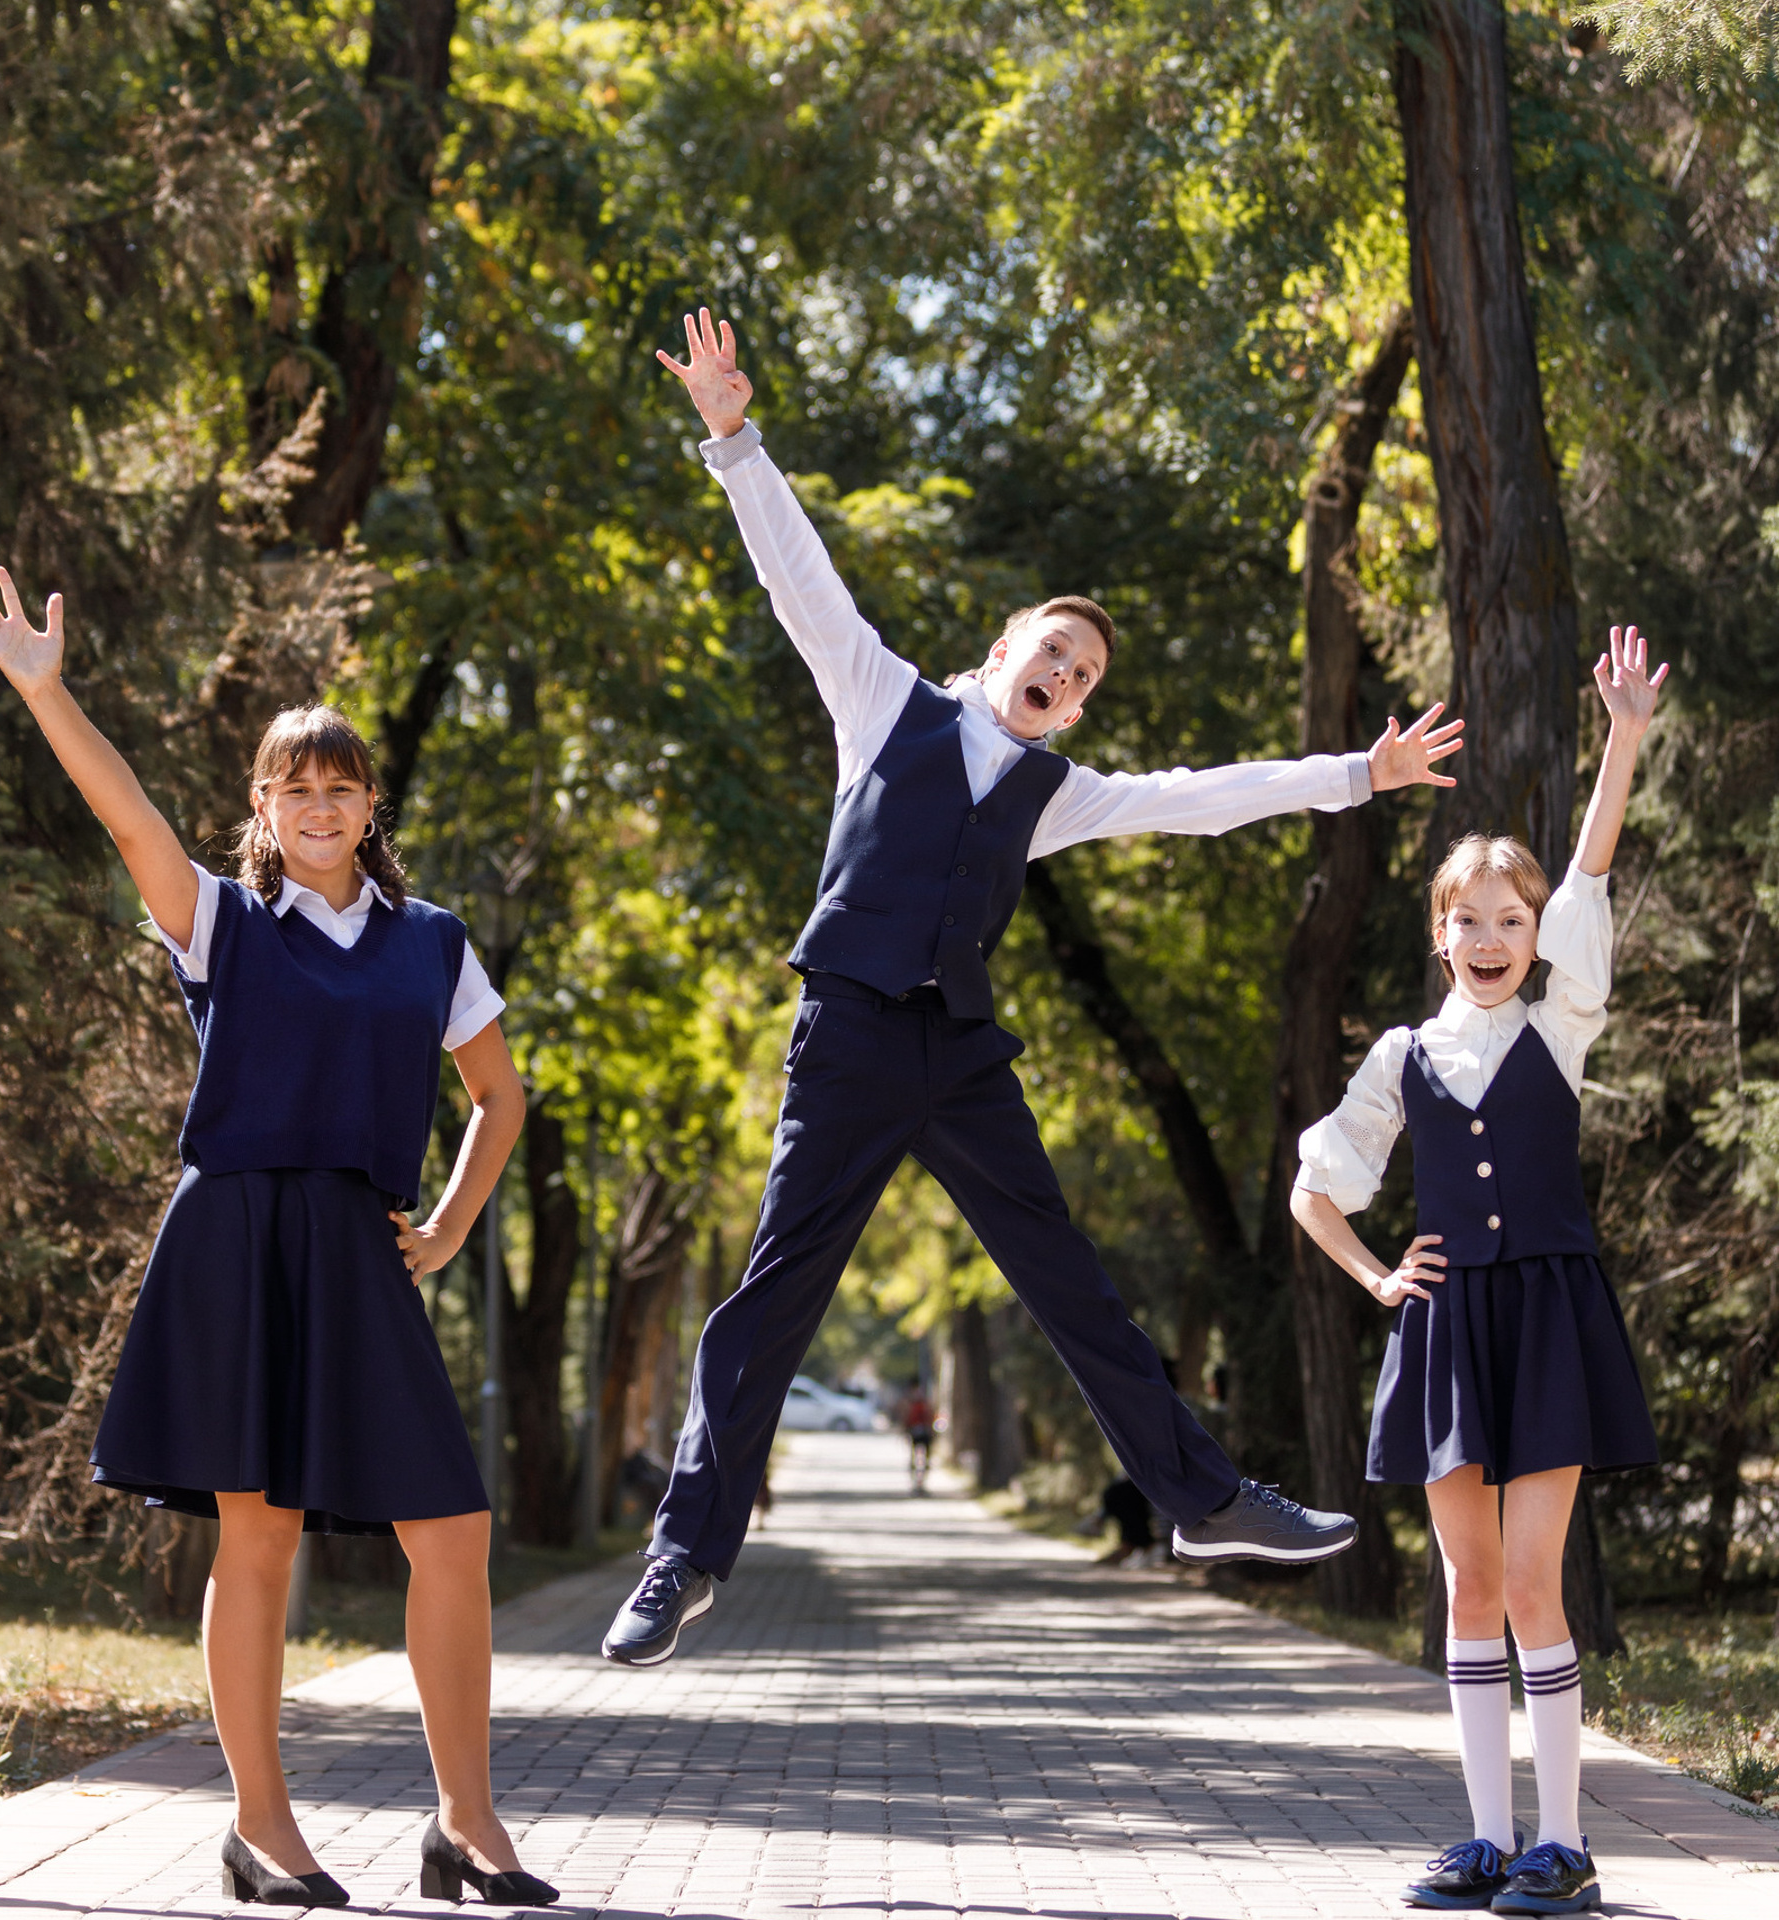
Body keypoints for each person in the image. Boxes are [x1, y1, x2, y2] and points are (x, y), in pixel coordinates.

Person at [601, 309, 1466, 1669]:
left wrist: (1356, 774)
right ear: (1000, 649)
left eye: (1083, 676)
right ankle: (681, 1557)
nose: (1063, 675)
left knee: (1076, 1287)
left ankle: (1204, 1500)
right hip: (847, 1039)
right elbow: (800, 578)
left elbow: (1203, 803)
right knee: (771, 1299)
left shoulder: (1056, 794)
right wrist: (732, 435)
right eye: (1050, 651)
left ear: (1075, 707)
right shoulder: (880, 700)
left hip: (959, 1059)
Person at [0, 571, 557, 1911]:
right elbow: (128, 813)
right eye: (295, 787)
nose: (321, 807)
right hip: (231, 1234)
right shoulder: (221, 918)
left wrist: (450, 1224)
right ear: (265, 807)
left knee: (451, 1530)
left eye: (343, 787)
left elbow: (499, 1098)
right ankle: (264, 1828)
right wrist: (46, 688)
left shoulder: (432, 945)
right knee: (260, 1536)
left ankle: (467, 1823)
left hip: (356, 1237)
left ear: (368, 807)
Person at [1290, 627, 1666, 1917]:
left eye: (1512, 918)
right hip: (1447, 1327)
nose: (1496, 934)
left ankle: (1565, 1844)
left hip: (1549, 1321)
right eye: (1473, 920)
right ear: (1442, 934)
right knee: (1467, 1586)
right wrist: (1377, 1277)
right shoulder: (1402, 1057)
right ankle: (1488, 1842)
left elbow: (1594, 870)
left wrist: (1620, 738)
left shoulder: (1560, 1024)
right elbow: (1315, 1186)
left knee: (1532, 1582)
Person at [900, 1382, 936, 1494]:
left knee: (922, 1459)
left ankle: (920, 1482)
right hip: (918, 1433)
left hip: (922, 1433)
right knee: (917, 1458)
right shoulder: (920, 1404)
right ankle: (917, 1482)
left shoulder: (919, 1404)